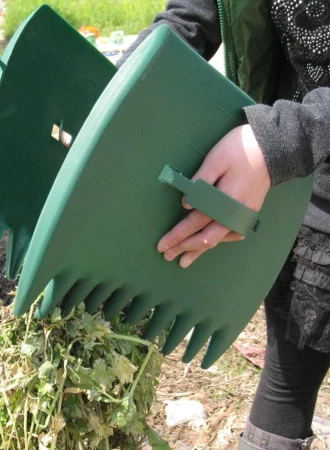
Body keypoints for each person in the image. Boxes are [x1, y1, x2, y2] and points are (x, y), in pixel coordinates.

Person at [118, 1, 330, 449]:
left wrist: (282, 139)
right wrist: (117, 96)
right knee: (289, 371)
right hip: (302, 176)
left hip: (295, 143)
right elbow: (192, 17)